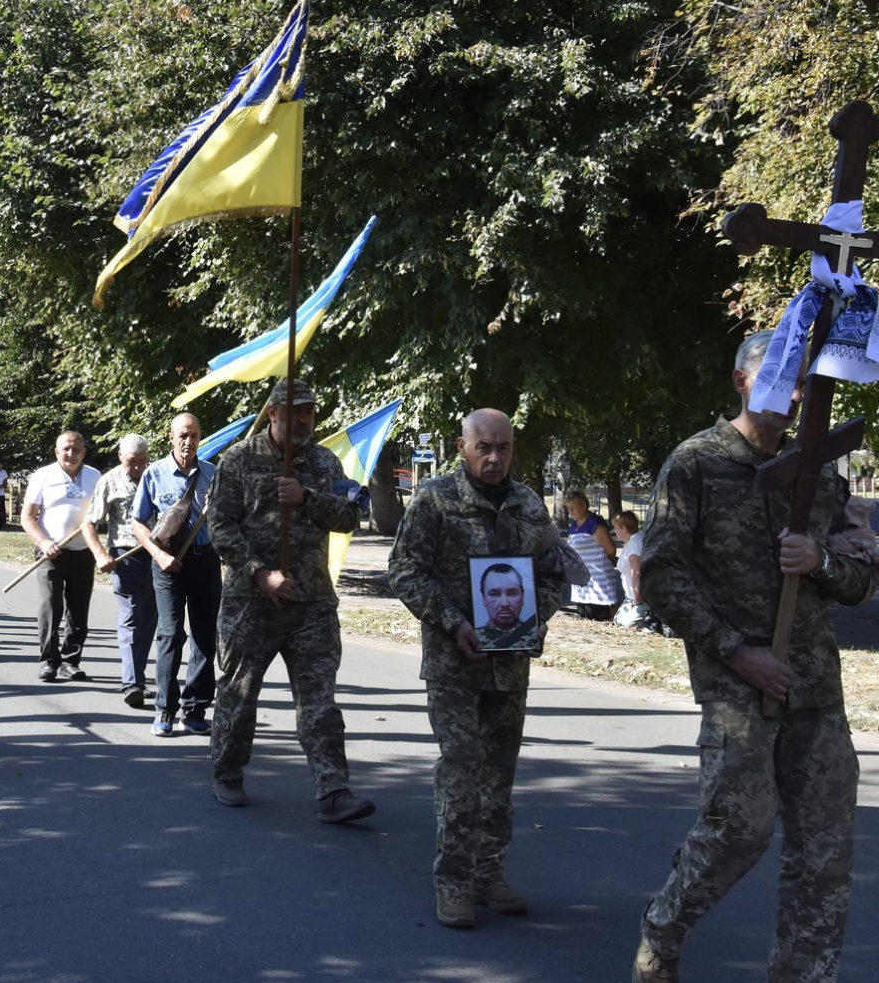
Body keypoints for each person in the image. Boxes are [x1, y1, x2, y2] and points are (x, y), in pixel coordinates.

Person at [632, 330, 879, 983]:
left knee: (825, 853)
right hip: (738, 688)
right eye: (783, 379)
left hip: (814, 691)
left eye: (805, 381)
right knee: (738, 830)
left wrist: (821, 561)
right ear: (743, 380)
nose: (798, 394)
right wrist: (737, 652)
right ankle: (665, 927)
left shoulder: (818, 471)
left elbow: (862, 576)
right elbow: (659, 577)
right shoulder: (696, 464)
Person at [388, 408, 588, 927]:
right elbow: (404, 570)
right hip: (454, 662)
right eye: (485, 448)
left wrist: (539, 618)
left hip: (510, 666)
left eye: (503, 447)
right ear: (462, 447)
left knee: (499, 774)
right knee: (461, 769)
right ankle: (453, 879)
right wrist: (453, 621)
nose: (495, 457)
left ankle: (489, 872)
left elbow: (553, 571)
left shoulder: (526, 503)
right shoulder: (435, 499)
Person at [207, 377, 375, 824]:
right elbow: (220, 528)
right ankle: (228, 771)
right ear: (274, 413)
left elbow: (349, 516)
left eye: (309, 412)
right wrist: (260, 574)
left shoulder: (324, 462)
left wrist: (307, 498)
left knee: (320, 700)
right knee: (239, 695)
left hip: (312, 603)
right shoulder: (239, 461)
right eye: (294, 411)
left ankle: (333, 789)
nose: (303, 420)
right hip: (251, 602)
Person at [135, 412, 220, 737]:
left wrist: (219, 506)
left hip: (206, 562)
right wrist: (158, 555)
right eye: (183, 435)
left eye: (194, 435)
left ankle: (195, 709)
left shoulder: (213, 473)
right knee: (171, 635)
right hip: (168, 565)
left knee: (204, 637)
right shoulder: (154, 474)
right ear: (171, 437)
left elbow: (230, 519)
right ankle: (165, 710)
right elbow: (138, 522)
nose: (189, 442)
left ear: (201, 437)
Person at [21, 431, 101, 682]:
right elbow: (27, 517)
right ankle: (48, 660)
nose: (71, 453)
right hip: (50, 552)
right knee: (51, 608)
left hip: (83, 551)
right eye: (66, 448)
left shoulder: (95, 477)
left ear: (84, 451)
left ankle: (70, 661)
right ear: (57, 452)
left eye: (76, 448)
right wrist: (44, 542)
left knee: (78, 610)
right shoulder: (43, 475)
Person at [83, 433, 155, 709]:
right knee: (131, 617)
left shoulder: (154, 476)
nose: (137, 467)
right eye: (131, 462)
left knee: (150, 620)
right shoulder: (109, 481)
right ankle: (131, 683)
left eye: (141, 461)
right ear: (120, 457)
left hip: (155, 556)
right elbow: (90, 523)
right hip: (125, 557)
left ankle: (138, 676)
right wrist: (100, 554)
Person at [562, 490, 621, 620]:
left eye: (573, 507)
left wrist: (603, 563)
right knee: (584, 614)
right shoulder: (573, 526)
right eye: (568, 507)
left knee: (597, 615)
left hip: (598, 579)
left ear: (583, 505)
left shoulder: (594, 523)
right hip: (582, 583)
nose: (571, 510)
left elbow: (611, 549)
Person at [473, 563, 537, 651]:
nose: (504, 604)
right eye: (495, 594)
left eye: (512, 594)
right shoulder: (473, 638)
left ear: (522, 597)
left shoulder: (534, 636)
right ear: (484, 599)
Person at [611, 511, 651, 629]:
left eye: (615, 527)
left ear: (623, 528)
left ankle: (651, 615)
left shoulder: (635, 542)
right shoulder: (629, 543)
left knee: (629, 624)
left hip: (640, 598)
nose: (614, 530)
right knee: (618, 620)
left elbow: (636, 572)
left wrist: (638, 598)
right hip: (630, 597)